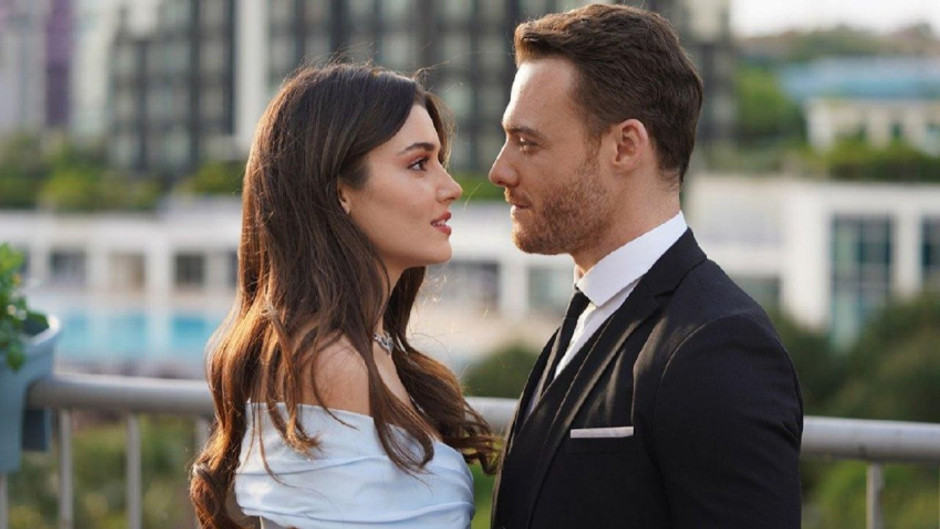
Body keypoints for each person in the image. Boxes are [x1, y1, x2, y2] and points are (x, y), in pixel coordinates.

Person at [488, 4, 803, 529]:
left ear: (625, 146)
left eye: (527, 143)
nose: (500, 169)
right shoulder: (591, 312)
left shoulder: (717, 345)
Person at [189, 63, 498, 529]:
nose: (451, 188)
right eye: (419, 164)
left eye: (441, 161)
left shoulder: (365, 348)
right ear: (339, 192)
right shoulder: (330, 361)